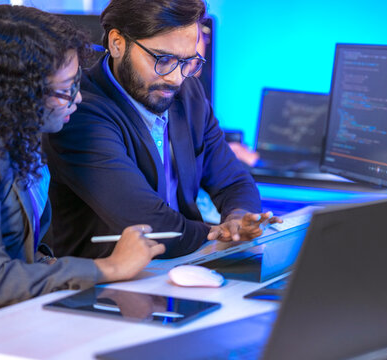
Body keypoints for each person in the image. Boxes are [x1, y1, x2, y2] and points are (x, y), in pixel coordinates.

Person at [0, 5, 165, 333]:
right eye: (65, 90)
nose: (77, 99)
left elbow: (22, 254)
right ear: (18, 92)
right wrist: (109, 267)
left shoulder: (15, 133)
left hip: (3, 321)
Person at [43, 0, 280, 260]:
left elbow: (233, 181)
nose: (176, 77)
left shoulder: (188, 94)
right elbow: (150, 225)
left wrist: (237, 219)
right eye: (163, 59)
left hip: (184, 263)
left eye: (188, 61)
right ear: (117, 43)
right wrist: (219, 234)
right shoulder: (80, 112)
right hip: (105, 285)